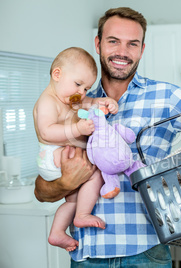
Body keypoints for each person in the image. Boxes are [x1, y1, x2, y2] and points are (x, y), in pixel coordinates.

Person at [34, 7, 181, 267]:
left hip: (146, 254)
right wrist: (65, 182)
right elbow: (42, 190)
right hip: (86, 255)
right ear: (98, 44)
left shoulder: (164, 97)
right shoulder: (72, 100)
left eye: (133, 44)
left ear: (142, 49)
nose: (122, 51)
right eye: (113, 41)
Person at [33, 47, 119, 252]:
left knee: (73, 199)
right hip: (52, 155)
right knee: (95, 172)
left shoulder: (69, 97)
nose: (81, 92)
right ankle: (82, 215)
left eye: (86, 88)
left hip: (58, 158)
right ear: (57, 74)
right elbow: (46, 132)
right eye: (78, 84)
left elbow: (86, 103)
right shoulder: (47, 101)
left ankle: (58, 232)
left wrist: (102, 102)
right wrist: (77, 128)